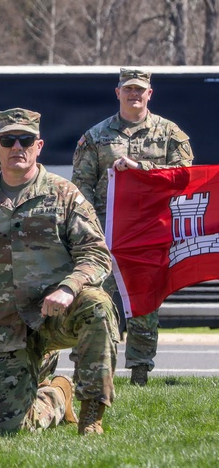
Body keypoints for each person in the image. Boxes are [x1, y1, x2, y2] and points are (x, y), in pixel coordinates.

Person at [0, 108, 118, 436]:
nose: (17, 147)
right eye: (8, 140)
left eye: (25, 140)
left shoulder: (63, 194)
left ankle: (91, 415)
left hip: (55, 315)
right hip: (3, 326)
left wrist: (69, 287)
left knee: (97, 304)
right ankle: (56, 394)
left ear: (39, 145)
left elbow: (96, 254)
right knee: (13, 427)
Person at [72, 68, 193, 387]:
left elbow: (185, 176)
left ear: (149, 94)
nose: (134, 94)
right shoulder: (97, 136)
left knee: (144, 305)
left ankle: (140, 373)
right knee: (98, 303)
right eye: (128, 89)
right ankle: (96, 372)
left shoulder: (169, 134)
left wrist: (143, 168)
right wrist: (89, 228)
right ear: (118, 93)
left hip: (148, 234)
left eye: (140, 90)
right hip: (105, 238)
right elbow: (80, 184)